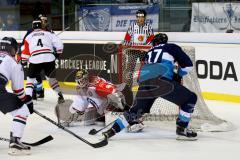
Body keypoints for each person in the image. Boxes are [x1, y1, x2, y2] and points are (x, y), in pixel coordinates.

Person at [101, 33, 198, 141]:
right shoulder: (171, 47)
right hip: (161, 82)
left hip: (144, 83)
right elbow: (188, 66)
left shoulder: (149, 52)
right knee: (191, 98)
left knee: (135, 112)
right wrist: (178, 75)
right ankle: (182, 129)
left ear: (154, 43)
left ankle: (111, 131)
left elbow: (143, 72)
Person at [56, 69, 128, 126]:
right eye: (79, 81)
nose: (81, 83)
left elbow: (113, 90)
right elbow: (79, 106)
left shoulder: (96, 84)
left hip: (109, 105)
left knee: (110, 122)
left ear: (87, 78)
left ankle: (116, 115)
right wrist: (70, 117)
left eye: (82, 80)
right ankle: (100, 117)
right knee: (87, 122)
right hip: (99, 109)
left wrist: (120, 102)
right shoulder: (80, 88)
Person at [0, 37, 33, 155]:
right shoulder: (14, 62)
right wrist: (27, 101)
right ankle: (15, 141)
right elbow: (18, 91)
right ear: (13, 49)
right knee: (22, 110)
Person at [21, 19, 64, 104]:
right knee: (52, 80)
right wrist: (57, 54)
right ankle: (60, 96)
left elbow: (25, 51)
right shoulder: (49, 33)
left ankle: (28, 99)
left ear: (32, 27)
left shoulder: (29, 37)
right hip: (49, 58)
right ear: (41, 25)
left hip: (35, 59)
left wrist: (24, 60)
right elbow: (60, 45)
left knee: (30, 80)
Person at [17, 14, 51, 100]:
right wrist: (20, 53)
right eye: (43, 20)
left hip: (45, 55)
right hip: (33, 55)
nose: (44, 22)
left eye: (46, 20)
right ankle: (37, 91)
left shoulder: (49, 31)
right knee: (35, 73)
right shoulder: (31, 31)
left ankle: (38, 90)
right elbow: (25, 43)